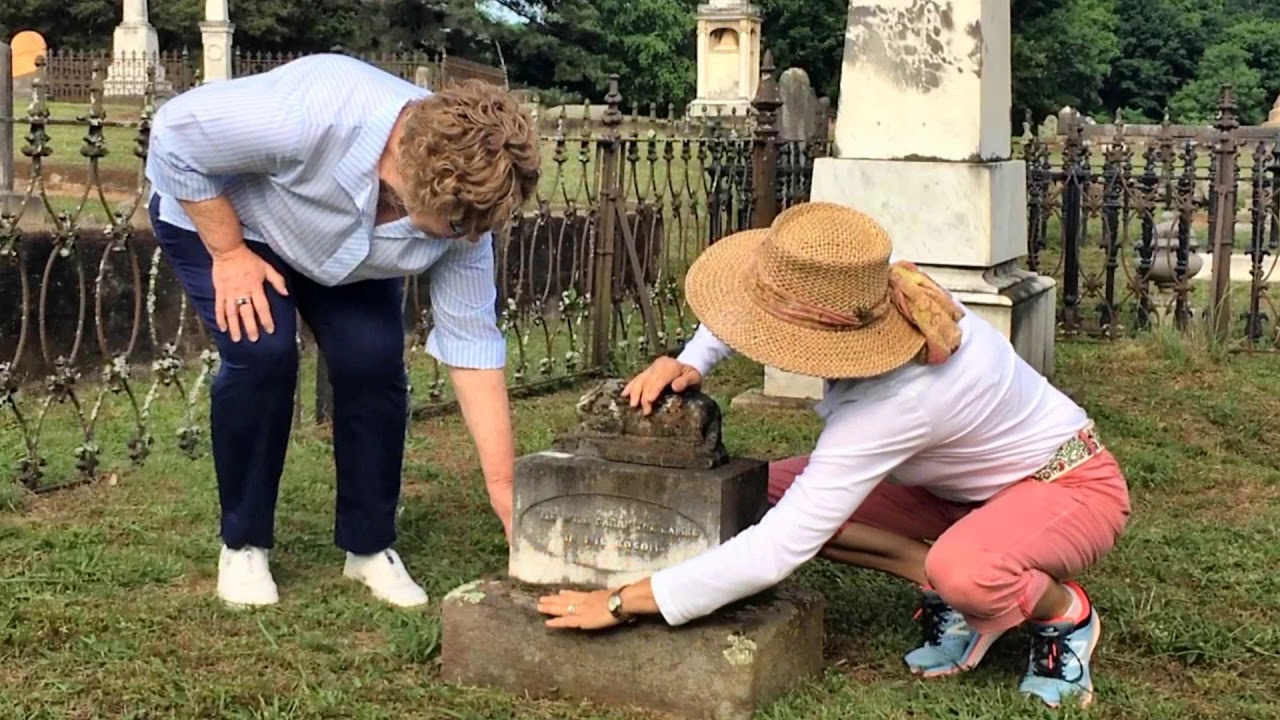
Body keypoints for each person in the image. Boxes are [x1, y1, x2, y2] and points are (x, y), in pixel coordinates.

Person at [536, 202, 1131, 709]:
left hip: (1067, 486)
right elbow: (763, 302)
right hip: (950, 492)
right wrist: (693, 360)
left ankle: (1062, 616)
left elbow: (776, 552)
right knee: (759, 491)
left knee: (965, 570)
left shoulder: (895, 403)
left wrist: (622, 601)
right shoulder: (879, 295)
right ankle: (953, 582)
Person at [145, 54, 539, 608]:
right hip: (234, 221)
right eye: (459, 224)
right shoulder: (312, 113)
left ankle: (369, 547)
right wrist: (228, 251)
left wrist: (504, 490)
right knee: (263, 352)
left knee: (373, 360)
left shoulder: (465, 222)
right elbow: (174, 136)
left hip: (343, 253)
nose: (469, 237)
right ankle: (244, 542)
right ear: (413, 181)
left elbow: (473, 346)